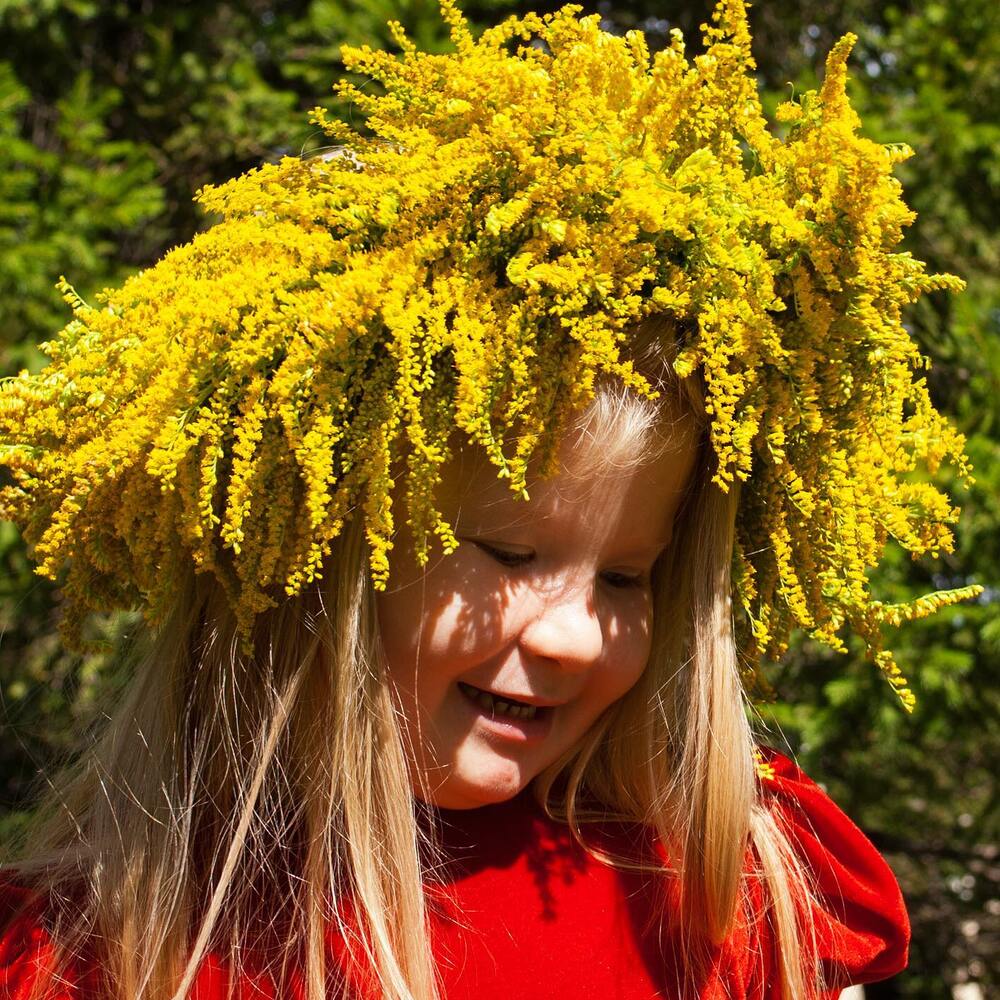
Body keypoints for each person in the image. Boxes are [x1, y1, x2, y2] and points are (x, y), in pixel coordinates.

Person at [0, 1, 980, 998]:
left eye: (625, 577)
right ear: (309, 548)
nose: (573, 636)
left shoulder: (721, 897)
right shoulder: (101, 945)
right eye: (510, 555)